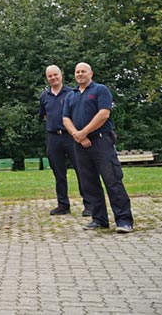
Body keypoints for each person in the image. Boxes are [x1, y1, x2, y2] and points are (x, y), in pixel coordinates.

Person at [62, 62, 134, 233]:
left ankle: (124, 220)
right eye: (77, 72)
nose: (80, 74)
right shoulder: (71, 95)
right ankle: (99, 219)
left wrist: (84, 132)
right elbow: (65, 119)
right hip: (80, 144)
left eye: (83, 71)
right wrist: (77, 135)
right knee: (89, 183)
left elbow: (103, 114)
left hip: (102, 142)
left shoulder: (100, 90)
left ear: (91, 73)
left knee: (112, 180)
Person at [39, 65, 91, 216]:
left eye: (55, 74)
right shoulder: (44, 96)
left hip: (71, 137)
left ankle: (89, 204)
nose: (53, 78)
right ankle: (63, 205)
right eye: (50, 76)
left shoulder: (72, 93)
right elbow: (44, 115)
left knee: (81, 170)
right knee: (58, 173)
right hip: (53, 137)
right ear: (47, 78)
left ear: (61, 75)